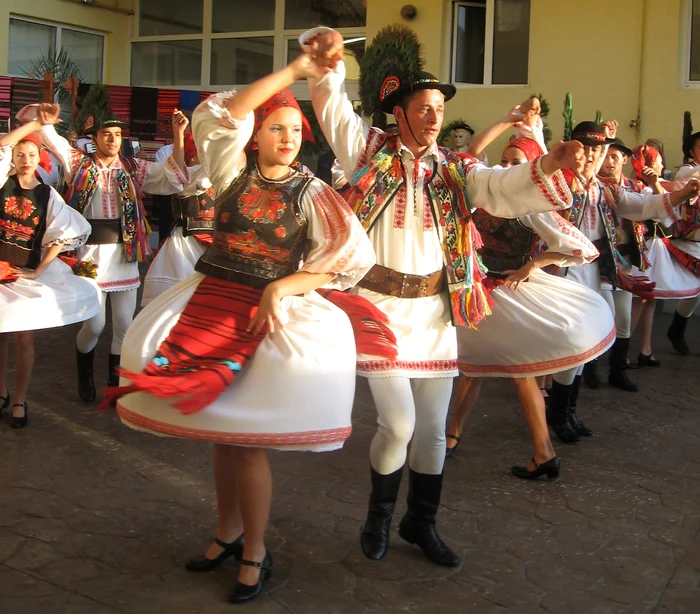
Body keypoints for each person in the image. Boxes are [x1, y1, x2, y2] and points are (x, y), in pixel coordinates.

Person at [303, 24, 583, 566]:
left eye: (439, 108)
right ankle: (378, 516)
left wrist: (547, 165)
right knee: (399, 424)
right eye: (424, 107)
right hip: (379, 310)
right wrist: (331, 66)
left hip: (434, 315)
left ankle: (419, 522)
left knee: (432, 433)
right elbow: (334, 110)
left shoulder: (457, 169)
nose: (435, 117)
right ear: (400, 112)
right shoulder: (368, 151)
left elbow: (501, 189)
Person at [103, 58, 377, 604]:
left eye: (298, 129)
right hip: (212, 300)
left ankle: (255, 548)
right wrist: (297, 70)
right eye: (277, 127)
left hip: (266, 317)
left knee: (246, 444)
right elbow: (225, 112)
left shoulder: (313, 192)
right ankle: (227, 533)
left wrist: (284, 287)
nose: (289, 138)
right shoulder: (230, 171)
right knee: (222, 437)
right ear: (255, 137)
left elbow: (350, 258)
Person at [445, 111, 613, 479]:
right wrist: (507, 120)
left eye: (515, 163)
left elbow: (579, 249)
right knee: (474, 368)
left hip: (506, 293)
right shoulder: (487, 187)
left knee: (506, 370)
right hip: (481, 288)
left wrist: (532, 265)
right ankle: (456, 437)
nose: (505, 167)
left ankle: (539, 450)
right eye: (504, 160)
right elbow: (472, 150)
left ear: (532, 169)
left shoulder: (532, 207)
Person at [20, 89, 189, 404]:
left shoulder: (133, 167)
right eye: (105, 134)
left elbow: (173, 178)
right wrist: (44, 122)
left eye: (116, 135)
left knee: (125, 325)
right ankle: (84, 372)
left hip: (125, 256)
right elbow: (53, 140)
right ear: (94, 138)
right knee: (95, 323)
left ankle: (114, 381)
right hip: (88, 257)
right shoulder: (78, 164)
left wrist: (178, 135)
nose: (112, 139)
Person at [548, 121, 700, 443]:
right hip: (561, 271)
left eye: (598, 150)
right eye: (586, 149)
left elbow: (639, 205)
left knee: (585, 340)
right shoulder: (559, 181)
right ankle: (558, 411)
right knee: (572, 340)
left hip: (591, 269)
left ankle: (567, 410)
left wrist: (684, 192)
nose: (592, 156)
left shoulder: (603, 190)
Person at [0, 116, 100, 428]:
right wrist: (32, 125)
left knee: (24, 340)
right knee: (0, 337)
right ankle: (0, 391)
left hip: (24, 271)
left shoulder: (46, 194)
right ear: (13, 158)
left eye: (31, 155)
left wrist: (39, 270)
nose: (25, 160)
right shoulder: (3, 183)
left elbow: (64, 232)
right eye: (20, 155)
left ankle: (19, 398)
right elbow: (2, 145)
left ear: (38, 159)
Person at [141, 134, 215, 304]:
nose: (204, 158)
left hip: (211, 241)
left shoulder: (214, 174)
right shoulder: (184, 178)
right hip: (184, 240)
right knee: (178, 295)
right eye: (199, 154)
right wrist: (179, 133)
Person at [666, 131, 700, 353]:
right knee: (692, 290)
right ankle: (677, 327)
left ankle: (677, 327)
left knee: (694, 291)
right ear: (691, 151)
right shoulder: (688, 170)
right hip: (689, 240)